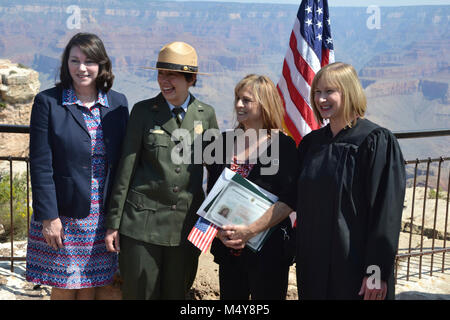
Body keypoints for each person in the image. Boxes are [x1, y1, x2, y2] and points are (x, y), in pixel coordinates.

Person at [104, 41, 219, 299]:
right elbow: (127, 168)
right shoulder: (143, 112)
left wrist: (215, 219)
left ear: (190, 79)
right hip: (141, 226)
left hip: (185, 228)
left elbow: (214, 172)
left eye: (173, 75)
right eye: (161, 73)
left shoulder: (206, 114)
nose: (164, 81)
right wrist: (113, 224)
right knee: (140, 294)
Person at [25, 32, 129, 300]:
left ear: (101, 65)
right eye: (75, 60)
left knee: (94, 286)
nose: (82, 68)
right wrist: (49, 217)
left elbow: (120, 166)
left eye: (90, 61)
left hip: (101, 216)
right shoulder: (48, 102)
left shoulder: (118, 103)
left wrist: (116, 219)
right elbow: (40, 164)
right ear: (66, 64)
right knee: (64, 286)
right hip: (63, 215)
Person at [294, 62, 406, 300]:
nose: (321, 99)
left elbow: (385, 212)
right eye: (317, 92)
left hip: (355, 270)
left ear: (349, 92)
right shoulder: (311, 144)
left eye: (329, 92)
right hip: (313, 266)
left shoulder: (375, 142)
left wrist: (376, 272)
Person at [206, 74, 299, 300]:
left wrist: (249, 231)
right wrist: (220, 233)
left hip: (269, 252)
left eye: (246, 100)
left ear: (265, 103)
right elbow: (212, 195)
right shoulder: (224, 143)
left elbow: (288, 200)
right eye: (237, 98)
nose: (238, 104)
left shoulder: (283, 146)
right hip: (229, 250)